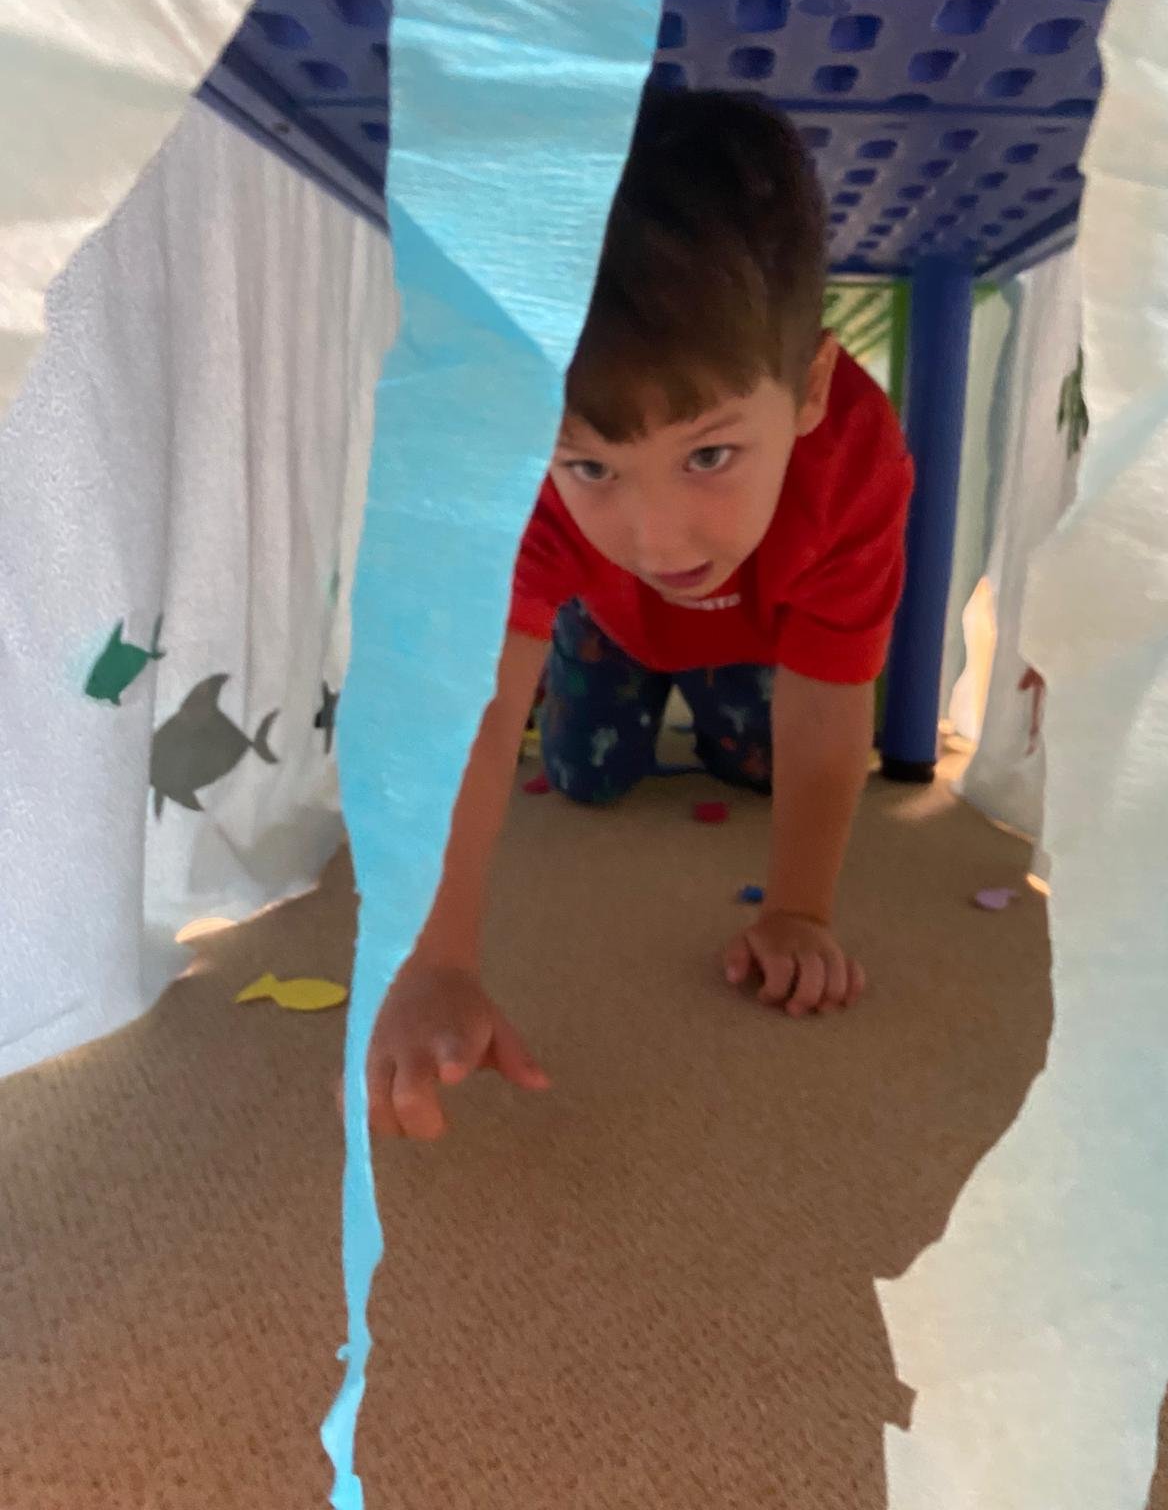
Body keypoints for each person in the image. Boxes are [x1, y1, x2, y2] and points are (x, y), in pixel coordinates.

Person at [363, 88, 914, 1139]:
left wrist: (799, 910)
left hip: (761, 639)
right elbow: (478, 710)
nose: (658, 539)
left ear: (810, 389)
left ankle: (711, 705)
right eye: (590, 466)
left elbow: (830, 700)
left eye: (710, 454)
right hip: (608, 628)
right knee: (583, 772)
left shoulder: (856, 453)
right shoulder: (519, 472)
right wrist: (435, 956)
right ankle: (609, 643)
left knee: (770, 765)